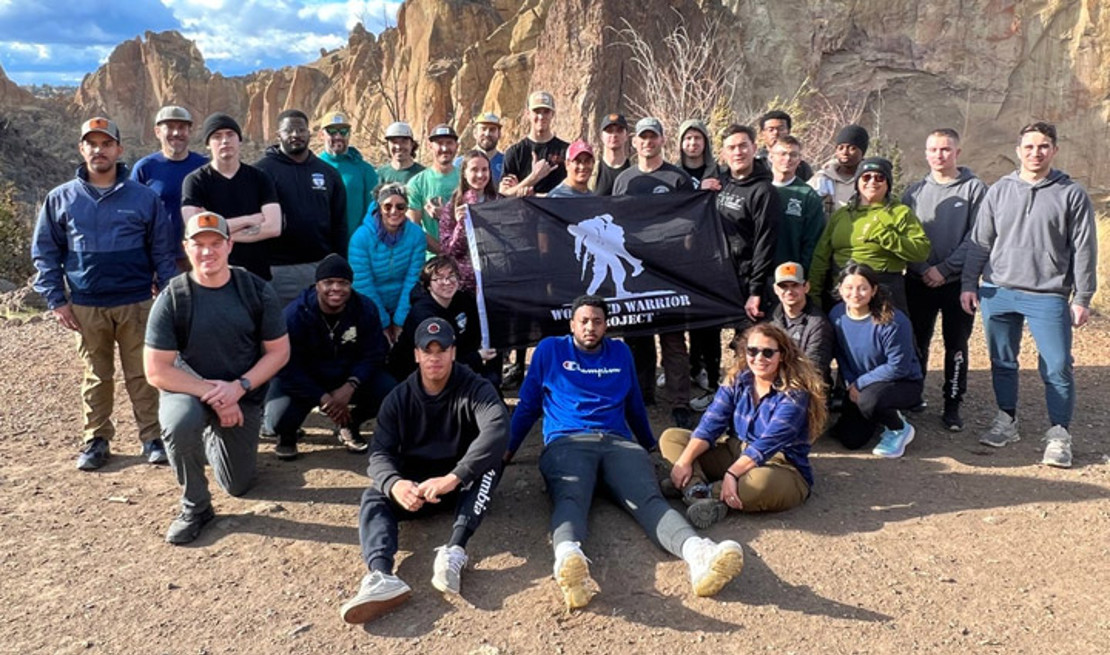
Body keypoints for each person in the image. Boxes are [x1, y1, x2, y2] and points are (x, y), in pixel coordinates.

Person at [507, 295, 744, 610]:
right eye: (584, 321)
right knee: (571, 498)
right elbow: (527, 407)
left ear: (607, 325)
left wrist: (649, 445)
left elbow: (634, 405)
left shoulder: (620, 352)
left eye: (597, 321)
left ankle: (699, 554)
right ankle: (568, 557)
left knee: (649, 501)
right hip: (568, 442)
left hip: (619, 444)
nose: (590, 327)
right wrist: (507, 449)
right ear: (572, 324)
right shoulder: (550, 350)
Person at [31, 116, 178, 470]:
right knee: (96, 376)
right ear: (82, 149)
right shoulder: (60, 198)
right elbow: (45, 252)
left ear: (118, 149)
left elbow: (162, 250)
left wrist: (170, 295)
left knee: (143, 374)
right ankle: (96, 440)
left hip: (136, 303)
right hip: (85, 305)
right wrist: (56, 300)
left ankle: (152, 438)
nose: (99, 150)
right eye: (92, 144)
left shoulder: (143, 198)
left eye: (106, 143)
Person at [340, 317, 509, 623]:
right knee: (373, 496)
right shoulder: (398, 398)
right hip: (416, 487)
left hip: (457, 481)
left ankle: (454, 550)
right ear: (416, 354)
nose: (435, 357)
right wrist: (395, 484)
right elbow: (379, 453)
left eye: (441, 349)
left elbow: (497, 429)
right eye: (427, 350)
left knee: (489, 465)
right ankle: (380, 575)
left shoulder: (475, 387)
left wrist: (454, 477)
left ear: (453, 352)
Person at [144, 211, 290, 544]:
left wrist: (238, 388)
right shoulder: (173, 297)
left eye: (215, 243)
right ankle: (195, 506)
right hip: (188, 391)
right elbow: (156, 370)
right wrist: (216, 394)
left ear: (229, 245)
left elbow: (279, 353)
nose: (207, 252)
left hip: (243, 392)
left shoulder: (254, 290)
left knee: (237, 486)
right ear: (186, 248)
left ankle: (214, 437)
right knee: (180, 423)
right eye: (199, 245)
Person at [960, 122, 1097, 468]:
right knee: (1002, 362)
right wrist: (967, 283)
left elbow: (1084, 248)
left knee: (1057, 365)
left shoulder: (1071, 193)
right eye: (1030, 146)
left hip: (1047, 294)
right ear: (1018, 150)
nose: (1036, 153)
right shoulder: (999, 190)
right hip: (998, 291)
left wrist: (1082, 297)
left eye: (1044, 146)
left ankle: (1059, 434)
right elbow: (980, 241)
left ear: (1054, 150)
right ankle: (1007, 420)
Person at [661, 323, 826, 529]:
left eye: (768, 352)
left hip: (780, 465)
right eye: (752, 351)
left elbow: (767, 444)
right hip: (736, 449)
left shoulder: (795, 394)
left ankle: (697, 490)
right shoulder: (738, 380)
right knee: (672, 438)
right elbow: (711, 423)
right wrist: (684, 461)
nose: (759, 358)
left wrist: (732, 474)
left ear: (781, 355)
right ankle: (697, 489)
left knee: (758, 484)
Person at [266, 254, 397, 460]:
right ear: (317, 285)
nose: (336, 288)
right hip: (306, 380)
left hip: (347, 377)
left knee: (390, 392)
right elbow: (286, 367)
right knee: (275, 420)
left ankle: (349, 423)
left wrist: (350, 385)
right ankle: (288, 435)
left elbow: (374, 353)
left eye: (343, 283)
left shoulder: (365, 308)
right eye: (328, 282)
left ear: (350, 286)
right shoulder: (295, 315)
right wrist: (323, 398)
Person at [613, 117, 696, 428]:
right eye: (642, 137)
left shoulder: (677, 178)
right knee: (637, 338)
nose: (647, 142)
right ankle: (642, 393)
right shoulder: (625, 179)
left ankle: (680, 402)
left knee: (673, 339)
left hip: (670, 270)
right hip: (634, 269)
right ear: (634, 142)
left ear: (662, 140)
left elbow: (691, 222)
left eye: (653, 137)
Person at [902, 128, 987, 432]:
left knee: (957, 345)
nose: (939, 155)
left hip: (957, 283)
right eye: (934, 150)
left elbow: (978, 237)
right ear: (926, 153)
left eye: (946, 150)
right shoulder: (913, 192)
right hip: (918, 280)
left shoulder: (975, 190)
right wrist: (924, 267)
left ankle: (952, 403)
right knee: (916, 343)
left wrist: (945, 269)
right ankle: (913, 397)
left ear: (957, 153)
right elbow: (904, 236)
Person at [808, 157, 931, 313]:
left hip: (885, 288)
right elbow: (821, 257)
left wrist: (889, 238)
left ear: (888, 184)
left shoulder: (900, 213)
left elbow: (922, 251)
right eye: (866, 177)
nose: (872, 182)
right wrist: (814, 295)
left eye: (879, 177)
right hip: (844, 289)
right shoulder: (841, 215)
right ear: (857, 182)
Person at [828, 263, 923, 458]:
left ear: (874, 290)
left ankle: (898, 428)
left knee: (869, 400)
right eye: (849, 287)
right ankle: (876, 414)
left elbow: (899, 366)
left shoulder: (893, 321)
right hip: (862, 384)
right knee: (851, 440)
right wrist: (849, 383)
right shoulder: (836, 315)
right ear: (840, 289)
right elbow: (841, 355)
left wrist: (860, 383)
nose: (855, 294)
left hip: (902, 382)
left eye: (863, 288)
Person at [255, 108, 347, 307]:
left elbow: (339, 224)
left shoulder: (328, 173)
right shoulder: (260, 172)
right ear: (278, 134)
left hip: (319, 268)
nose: (296, 135)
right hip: (276, 271)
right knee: (278, 332)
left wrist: (338, 266)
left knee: (318, 331)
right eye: (289, 130)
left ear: (309, 133)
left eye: (301, 130)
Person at [182, 113, 281, 281]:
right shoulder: (195, 181)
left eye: (230, 134)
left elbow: (273, 227)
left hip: (257, 276)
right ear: (208, 144)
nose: (225, 140)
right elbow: (196, 231)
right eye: (217, 136)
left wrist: (217, 235)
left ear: (239, 140)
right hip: (213, 279)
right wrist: (250, 219)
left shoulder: (260, 178)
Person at [389, 256, 500, 388]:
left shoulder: (463, 300)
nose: (447, 282)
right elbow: (436, 359)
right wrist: (476, 357)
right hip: (419, 373)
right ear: (428, 285)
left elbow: (473, 334)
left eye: (451, 276)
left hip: (458, 363)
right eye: (439, 278)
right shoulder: (423, 315)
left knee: (491, 378)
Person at [715, 124, 781, 325]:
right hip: (718, 276)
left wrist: (756, 290)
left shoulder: (764, 192)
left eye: (743, 146)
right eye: (731, 147)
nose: (738, 152)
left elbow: (765, 243)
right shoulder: (720, 183)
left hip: (747, 281)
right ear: (723, 153)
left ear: (754, 147)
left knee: (748, 344)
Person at [130, 105, 208, 269]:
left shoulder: (204, 166)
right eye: (170, 127)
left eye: (182, 127)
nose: (176, 133)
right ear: (158, 132)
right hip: (160, 259)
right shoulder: (145, 168)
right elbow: (133, 217)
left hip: (202, 256)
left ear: (190, 132)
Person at [349, 184, 427, 345]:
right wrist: (383, 323)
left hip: (404, 302)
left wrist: (399, 321)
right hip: (371, 304)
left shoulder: (416, 234)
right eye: (387, 206)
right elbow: (363, 284)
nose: (394, 212)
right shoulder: (361, 238)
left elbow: (413, 279)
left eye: (400, 206)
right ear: (379, 207)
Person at [317, 110, 380, 246]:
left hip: (356, 247)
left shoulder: (365, 170)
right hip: (321, 247)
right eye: (332, 131)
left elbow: (373, 212)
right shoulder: (313, 167)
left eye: (343, 131)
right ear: (321, 135)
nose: (338, 136)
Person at [438, 149, 498, 289]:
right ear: (464, 173)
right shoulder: (453, 205)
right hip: (466, 283)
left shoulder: (499, 202)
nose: (480, 175)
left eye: (484, 169)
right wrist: (461, 226)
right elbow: (449, 252)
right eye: (474, 170)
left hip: (495, 281)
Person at [769, 262, 835, 388]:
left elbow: (815, 368)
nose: (789, 291)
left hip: (807, 388)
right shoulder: (769, 319)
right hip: (774, 382)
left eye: (795, 285)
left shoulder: (819, 324)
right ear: (775, 290)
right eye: (783, 286)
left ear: (806, 287)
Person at [768, 135, 824, 272]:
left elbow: (812, 243)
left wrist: (802, 274)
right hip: (756, 272)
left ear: (799, 160)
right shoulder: (758, 188)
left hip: (789, 276)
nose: (788, 159)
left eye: (793, 155)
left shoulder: (808, 196)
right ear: (771, 157)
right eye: (782, 154)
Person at [500, 90, 568, 197]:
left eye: (546, 111)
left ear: (553, 114)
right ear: (528, 114)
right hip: (523, 212)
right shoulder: (515, 152)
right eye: (536, 111)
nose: (541, 117)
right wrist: (534, 177)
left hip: (557, 212)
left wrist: (536, 196)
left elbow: (573, 190)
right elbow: (504, 194)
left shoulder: (566, 151)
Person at [407, 124, 461, 252]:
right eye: (439, 143)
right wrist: (443, 252)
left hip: (466, 256)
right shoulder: (417, 183)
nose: (444, 148)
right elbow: (413, 227)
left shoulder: (467, 179)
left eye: (449, 143)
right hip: (433, 259)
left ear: (457, 146)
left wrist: (446, 216)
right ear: (430, 146)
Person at [809, 124, 869, 215]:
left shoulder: (870, 180)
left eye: (852, 148)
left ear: (862, 152)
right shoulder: (822, 178)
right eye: (840, 148)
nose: (845, 152)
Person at [755, 110, 814, 181]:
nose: (776, 133)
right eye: (771, 130)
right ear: (762, 134)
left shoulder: (801, 167)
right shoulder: (756, 165)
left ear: (789, 131)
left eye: (781, 129)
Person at [455, 112, 504, 182]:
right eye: (483, 129)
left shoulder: (507, 163)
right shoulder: (460, 163)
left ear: (499, 134)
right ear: (475, 133)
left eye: (492, 129)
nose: (487, 134)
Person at [677, 119, 722, 190]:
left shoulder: (720, 173)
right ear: (681, 143)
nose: (693, 143)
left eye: (697, 138)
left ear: (705, 142)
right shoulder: (672, 175)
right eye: (688, 138)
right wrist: (699, 188)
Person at [592, 113, 630, 196]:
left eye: (619, 130)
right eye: (609, 131)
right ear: (601, 136)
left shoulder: (634, 169)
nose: (614, 135)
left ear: (626, 135)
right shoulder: (591, 171)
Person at [376, 121, 425, 186]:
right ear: (387, 146)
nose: (398, 147)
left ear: (412, 145)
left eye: (403, 142)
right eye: (394, 142)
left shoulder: (424, 175)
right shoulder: (378, 175)